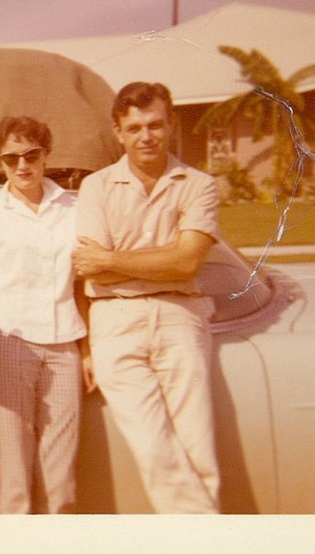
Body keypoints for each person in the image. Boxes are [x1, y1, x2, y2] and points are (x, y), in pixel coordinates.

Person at [73, 81, 221, 513]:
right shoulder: (96, 187)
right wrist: (166, 256)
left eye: (155, 125)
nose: (146, 136)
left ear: (171, 125)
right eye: (134, 127)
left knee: (198, 452)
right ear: (118, 132)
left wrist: (113, 260)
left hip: (181, 315)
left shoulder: (198, 184)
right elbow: (88, 265)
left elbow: (188, 263)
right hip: (114, 322)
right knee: (155, 452)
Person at [0, 116, 95, 514]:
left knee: (62, 480)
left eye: (30, 154)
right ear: (0, 162)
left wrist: (87, 350)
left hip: (64, 346)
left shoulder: (74, 207)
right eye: (10, 158)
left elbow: (81, 284)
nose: (22, 165)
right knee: (13, 478)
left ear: (45, 154)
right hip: (4, 345)